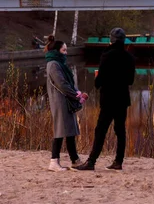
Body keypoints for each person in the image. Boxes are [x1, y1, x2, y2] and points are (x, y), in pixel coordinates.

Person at [76, 27, 135, 171]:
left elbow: (99, 82)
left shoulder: (106, 55)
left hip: (109, 99)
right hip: (122, 99)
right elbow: (130, 80)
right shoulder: (129, 57)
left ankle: (91, 162)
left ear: (111, 40)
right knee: (120, 131)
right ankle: (118, 161)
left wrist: (97, 78)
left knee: (100, 130)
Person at [45, 36, 87, 172]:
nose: (66, 53)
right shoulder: (53, 64)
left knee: (69, 130)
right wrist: (76, 95)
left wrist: (77, 93)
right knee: (60, 130)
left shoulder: (58, 64)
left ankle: (75, 160)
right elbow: (62, 84)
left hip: (65, 101)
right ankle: (54, 161)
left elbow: (67, 83)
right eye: (64, 50)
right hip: (60, 102)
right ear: (57, 51)